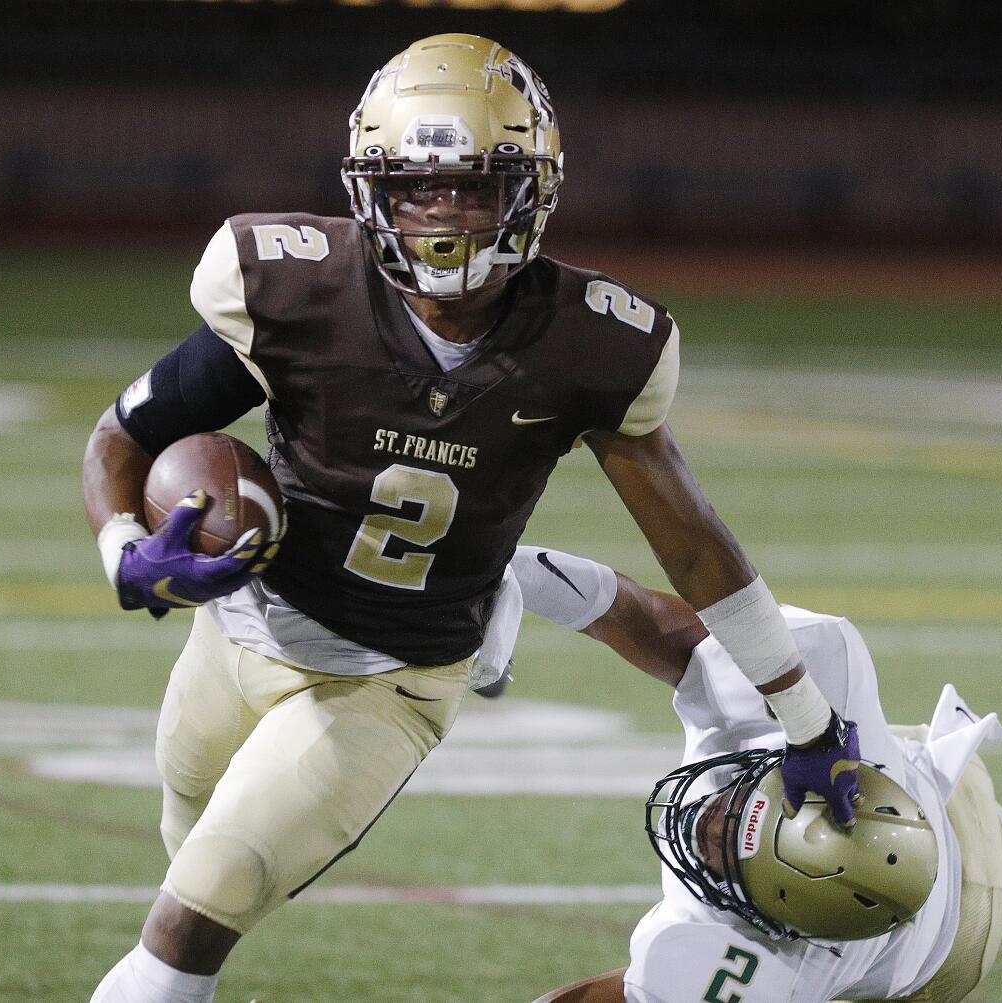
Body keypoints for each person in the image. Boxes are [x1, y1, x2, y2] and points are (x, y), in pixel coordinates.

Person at [82, 34, 861, 1001]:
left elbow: (695, 547)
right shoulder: (291, 287)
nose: (441, 214)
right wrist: (127, 551)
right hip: (234, 631)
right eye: (414, 185)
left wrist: (807, 716)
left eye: (472, 187)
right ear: (371, 188)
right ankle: (498, 588)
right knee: (186, 847)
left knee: (192, 918)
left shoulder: (592, 342)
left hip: (388, 676)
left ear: (529, 191)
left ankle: (485, 593)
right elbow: (120, 440)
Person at [508, 546, 1002, 1003]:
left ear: (775, 919)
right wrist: (507, 568)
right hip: (943, 823)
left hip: (937, 948)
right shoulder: (823, 689)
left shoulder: (762, 960)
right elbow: (662, 626)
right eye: (736, 807)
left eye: (728, 854)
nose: (706, 824)